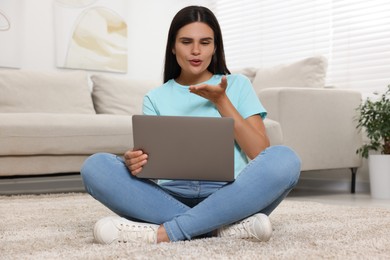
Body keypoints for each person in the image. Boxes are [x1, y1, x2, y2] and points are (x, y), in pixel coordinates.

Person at [81, 5, 301, 244]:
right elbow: (152, 168)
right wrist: (135, 162)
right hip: (169, 196)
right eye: (186, 42)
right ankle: (218, 229)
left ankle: (165, 232)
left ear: (215, 47)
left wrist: (221, 101)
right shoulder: (155, 98)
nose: (196, 51)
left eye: (205, 42)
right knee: (96, 167)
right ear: (173, 47)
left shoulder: (237, 85)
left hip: (232, 196)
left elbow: (259, 152)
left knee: (285, 159)